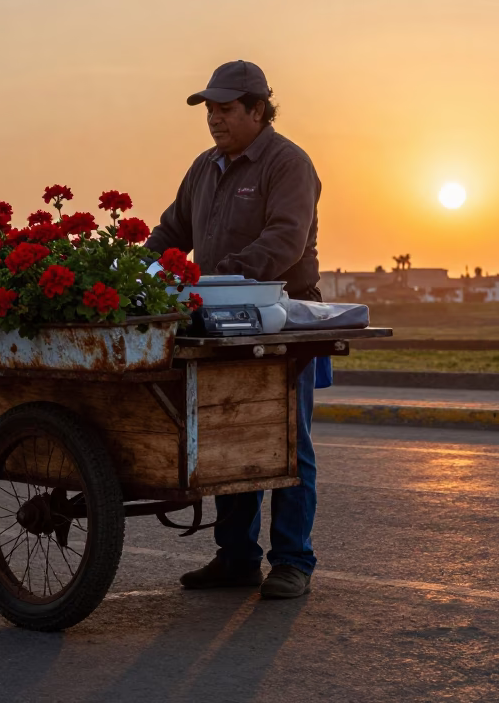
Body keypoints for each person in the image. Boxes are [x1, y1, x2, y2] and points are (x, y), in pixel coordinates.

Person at [145, 60, 321, 600]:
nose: (215, 121)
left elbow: (285, 240)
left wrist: (223, 278)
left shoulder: (288, 163)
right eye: (210, 111)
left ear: (257, 110)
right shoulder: (204, 168)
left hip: (279, 318)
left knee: (287, 439)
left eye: (225, 110)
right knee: (228, 434)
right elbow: (171, 232)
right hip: (218, 319)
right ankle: (237, 557)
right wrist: (133, 272)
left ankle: (292, 560)